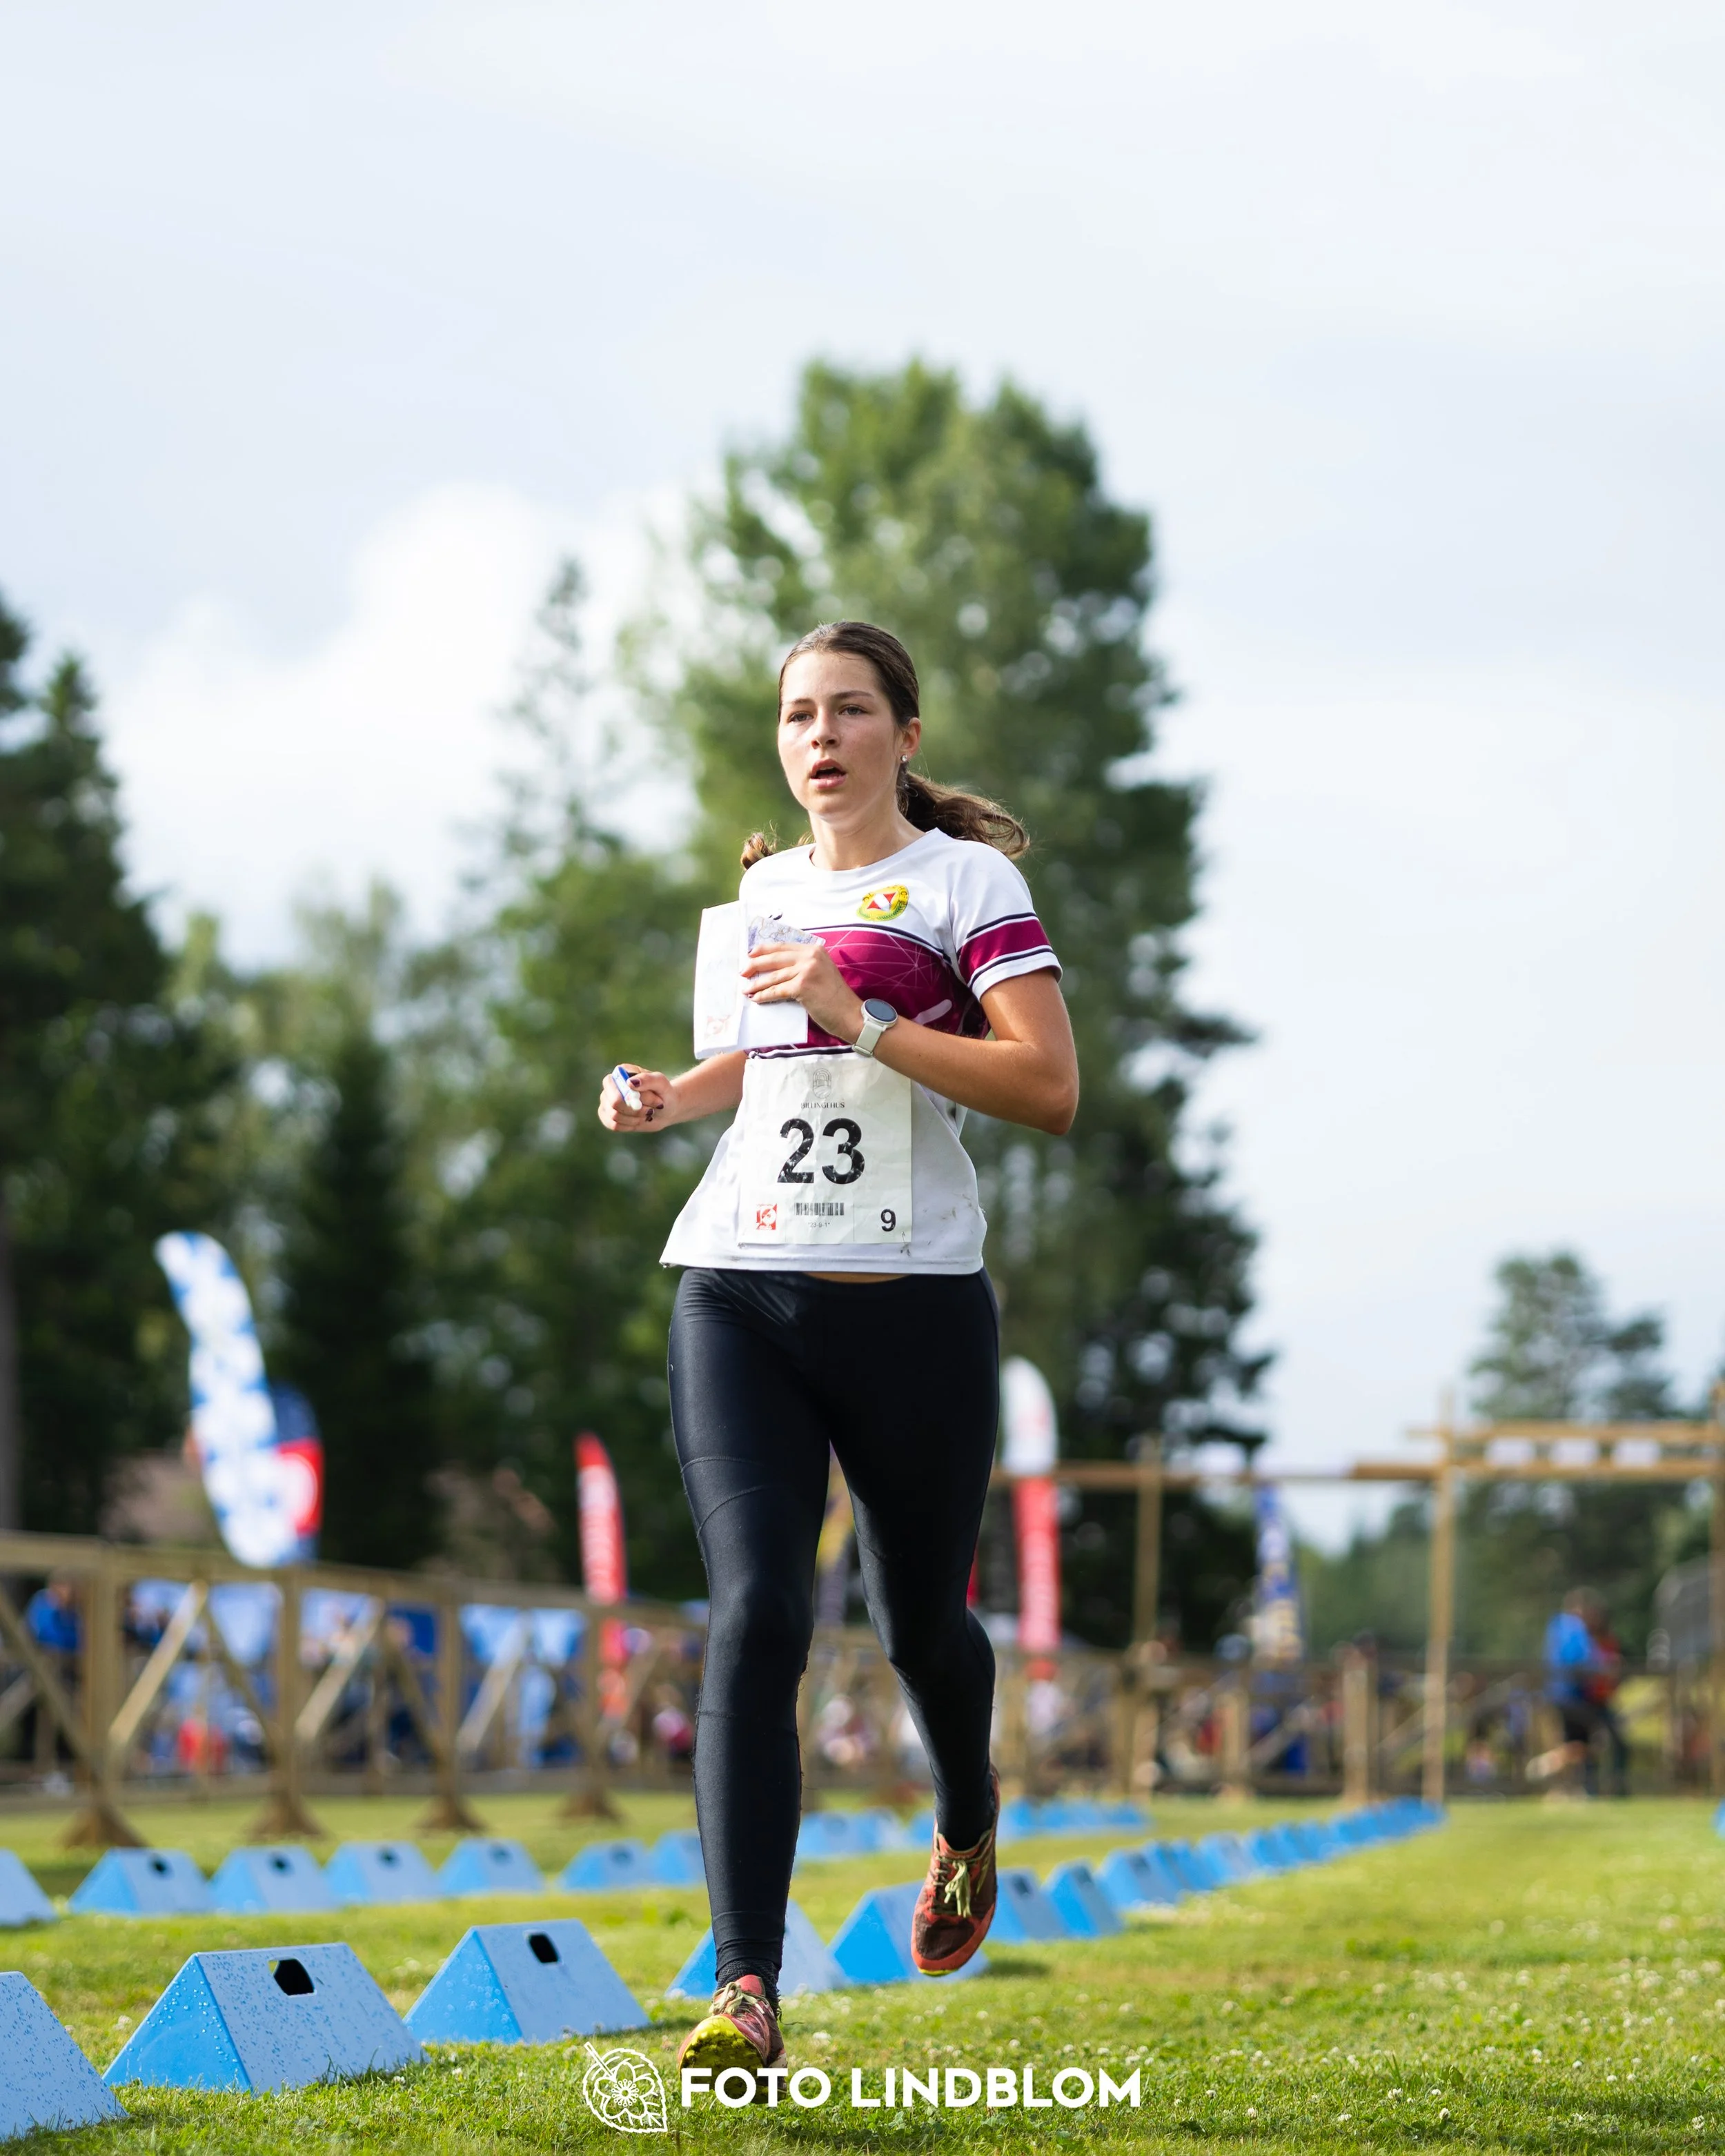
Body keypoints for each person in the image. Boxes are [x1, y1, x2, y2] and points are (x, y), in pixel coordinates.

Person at [598, 620, 1078, 2088]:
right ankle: (745, 1983)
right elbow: (759, 1066)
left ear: (904, 736)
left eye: (851, 710)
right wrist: (664, 1094)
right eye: (800, 714)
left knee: (919, 1620)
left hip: (914, 1304)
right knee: (756, 1611)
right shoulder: (758, 894)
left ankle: (967, 1812)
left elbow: (1046, 1085)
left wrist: (863, 1019)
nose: (821, 737)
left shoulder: (967, 885)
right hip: (740, 1288)